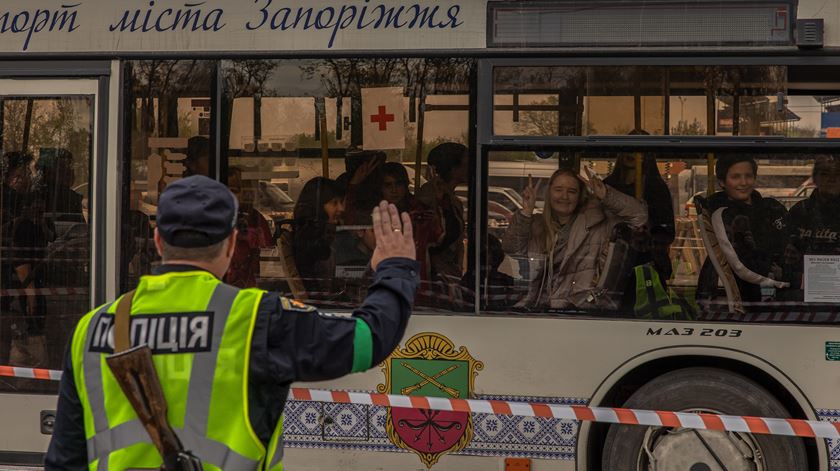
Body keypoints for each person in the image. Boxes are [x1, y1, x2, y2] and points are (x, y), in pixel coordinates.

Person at [45, 175, 419, 470]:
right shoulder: (256, 318)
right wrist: (395, 268)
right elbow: (368, 340)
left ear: (158, 240)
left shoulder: (92, 329)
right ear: (231, 243)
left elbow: (64, 461)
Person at [501, 168, 648, 310]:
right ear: (549, 193)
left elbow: (639, 217)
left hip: (580, 312)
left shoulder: (597, 222)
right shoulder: (535, 224)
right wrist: (526, 212)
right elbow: (512, 249)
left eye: (572, 191)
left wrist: (606, 195)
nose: (564, 196)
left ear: (579, 196)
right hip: (538, 311)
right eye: (558, 190)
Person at [696, 155, 789, 304]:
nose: (744, 182)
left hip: (775, 282)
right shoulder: (721, 215)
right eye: (736, 177)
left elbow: (790, 242)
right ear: (722, 182)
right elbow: (741, 265)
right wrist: (786, 279)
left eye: (748, 176)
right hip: (748, 293)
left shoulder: (772, 207)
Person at [603, 149, 676, 282]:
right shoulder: (607, 187)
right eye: (628, 148)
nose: (632, 153)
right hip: (612, 258)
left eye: (640, 150)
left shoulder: (656, 188)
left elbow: (666, 230)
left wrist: (646, 234)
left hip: (645, 262)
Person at [785, 155, 840, 298]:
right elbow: (785, 257)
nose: (831, 179)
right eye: (825, 174)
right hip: (801, 291)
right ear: (815, 179)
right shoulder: (799, 211)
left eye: (837, 174)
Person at [380, 162, 443, 282]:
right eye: (388, 185)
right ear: (381, 188)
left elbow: (437, 238)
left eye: (398, 184)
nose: (394, 190)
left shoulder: (420, 211)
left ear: (406, 185)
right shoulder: (377, 212)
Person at [418, 143, 469, 281]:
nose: (471, 168)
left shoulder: (454, 201)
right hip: (434, 274)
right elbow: (430, 237)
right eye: (466, 164)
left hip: (450, 272)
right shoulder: (429, 196)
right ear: (453, 168)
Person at [292, 177, 345, 295]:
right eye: (334, 203)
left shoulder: (321, 235)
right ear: (318, 206)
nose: (341, 208)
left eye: (341, 202)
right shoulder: (309, 241)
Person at [224, 167, 273, 288]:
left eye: (234, 190)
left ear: (246, 193)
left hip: (247, 285)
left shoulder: (256, 219)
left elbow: (268, 255)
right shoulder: (216, 217)